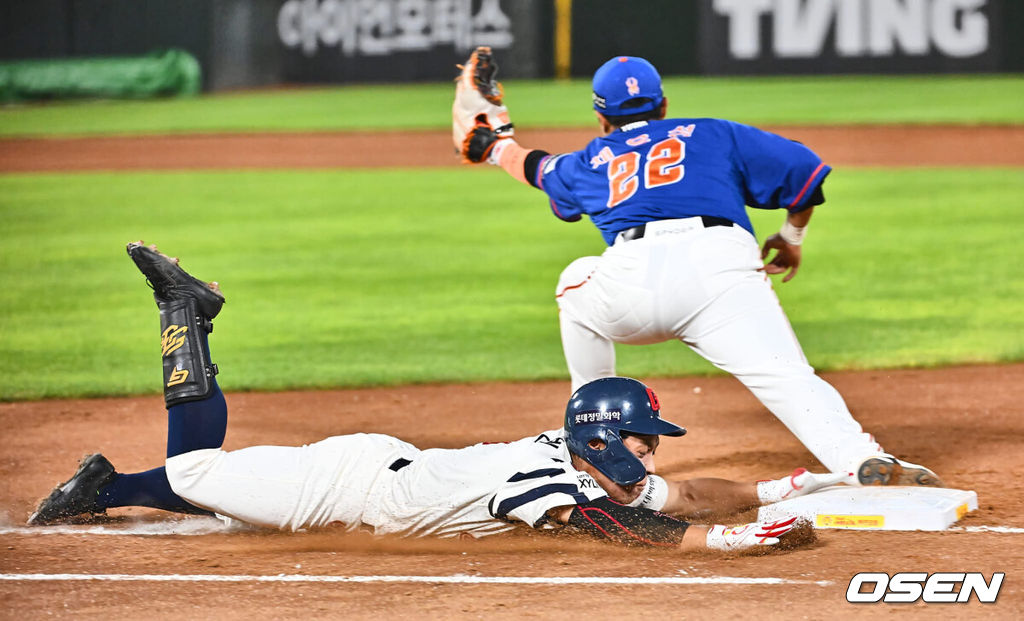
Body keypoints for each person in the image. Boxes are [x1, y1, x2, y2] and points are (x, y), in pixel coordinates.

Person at [28, 242, 844, 552]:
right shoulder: (568, 486)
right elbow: (613, 526)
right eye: (641, 440)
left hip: (380, 473)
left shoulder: (592, 463)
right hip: (342, 485)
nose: (651, 452)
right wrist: (724, 545)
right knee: (199, 471)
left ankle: (104, 488)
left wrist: (775, 489)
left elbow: (693, 492)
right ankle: (185, 314)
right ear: (601, 437)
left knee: (214, 492)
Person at [452, 48, 942, 488]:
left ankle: (595, 443)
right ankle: (862, 461)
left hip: (631, 282)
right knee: (786, 376)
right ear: (663, 105)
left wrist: (492, 146)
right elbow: (804, 173)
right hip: (721, 270)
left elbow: (538, 167)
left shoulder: (594, 158)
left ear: (601, 117)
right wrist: (790, 238)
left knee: (575, 281)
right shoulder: (712, 133)